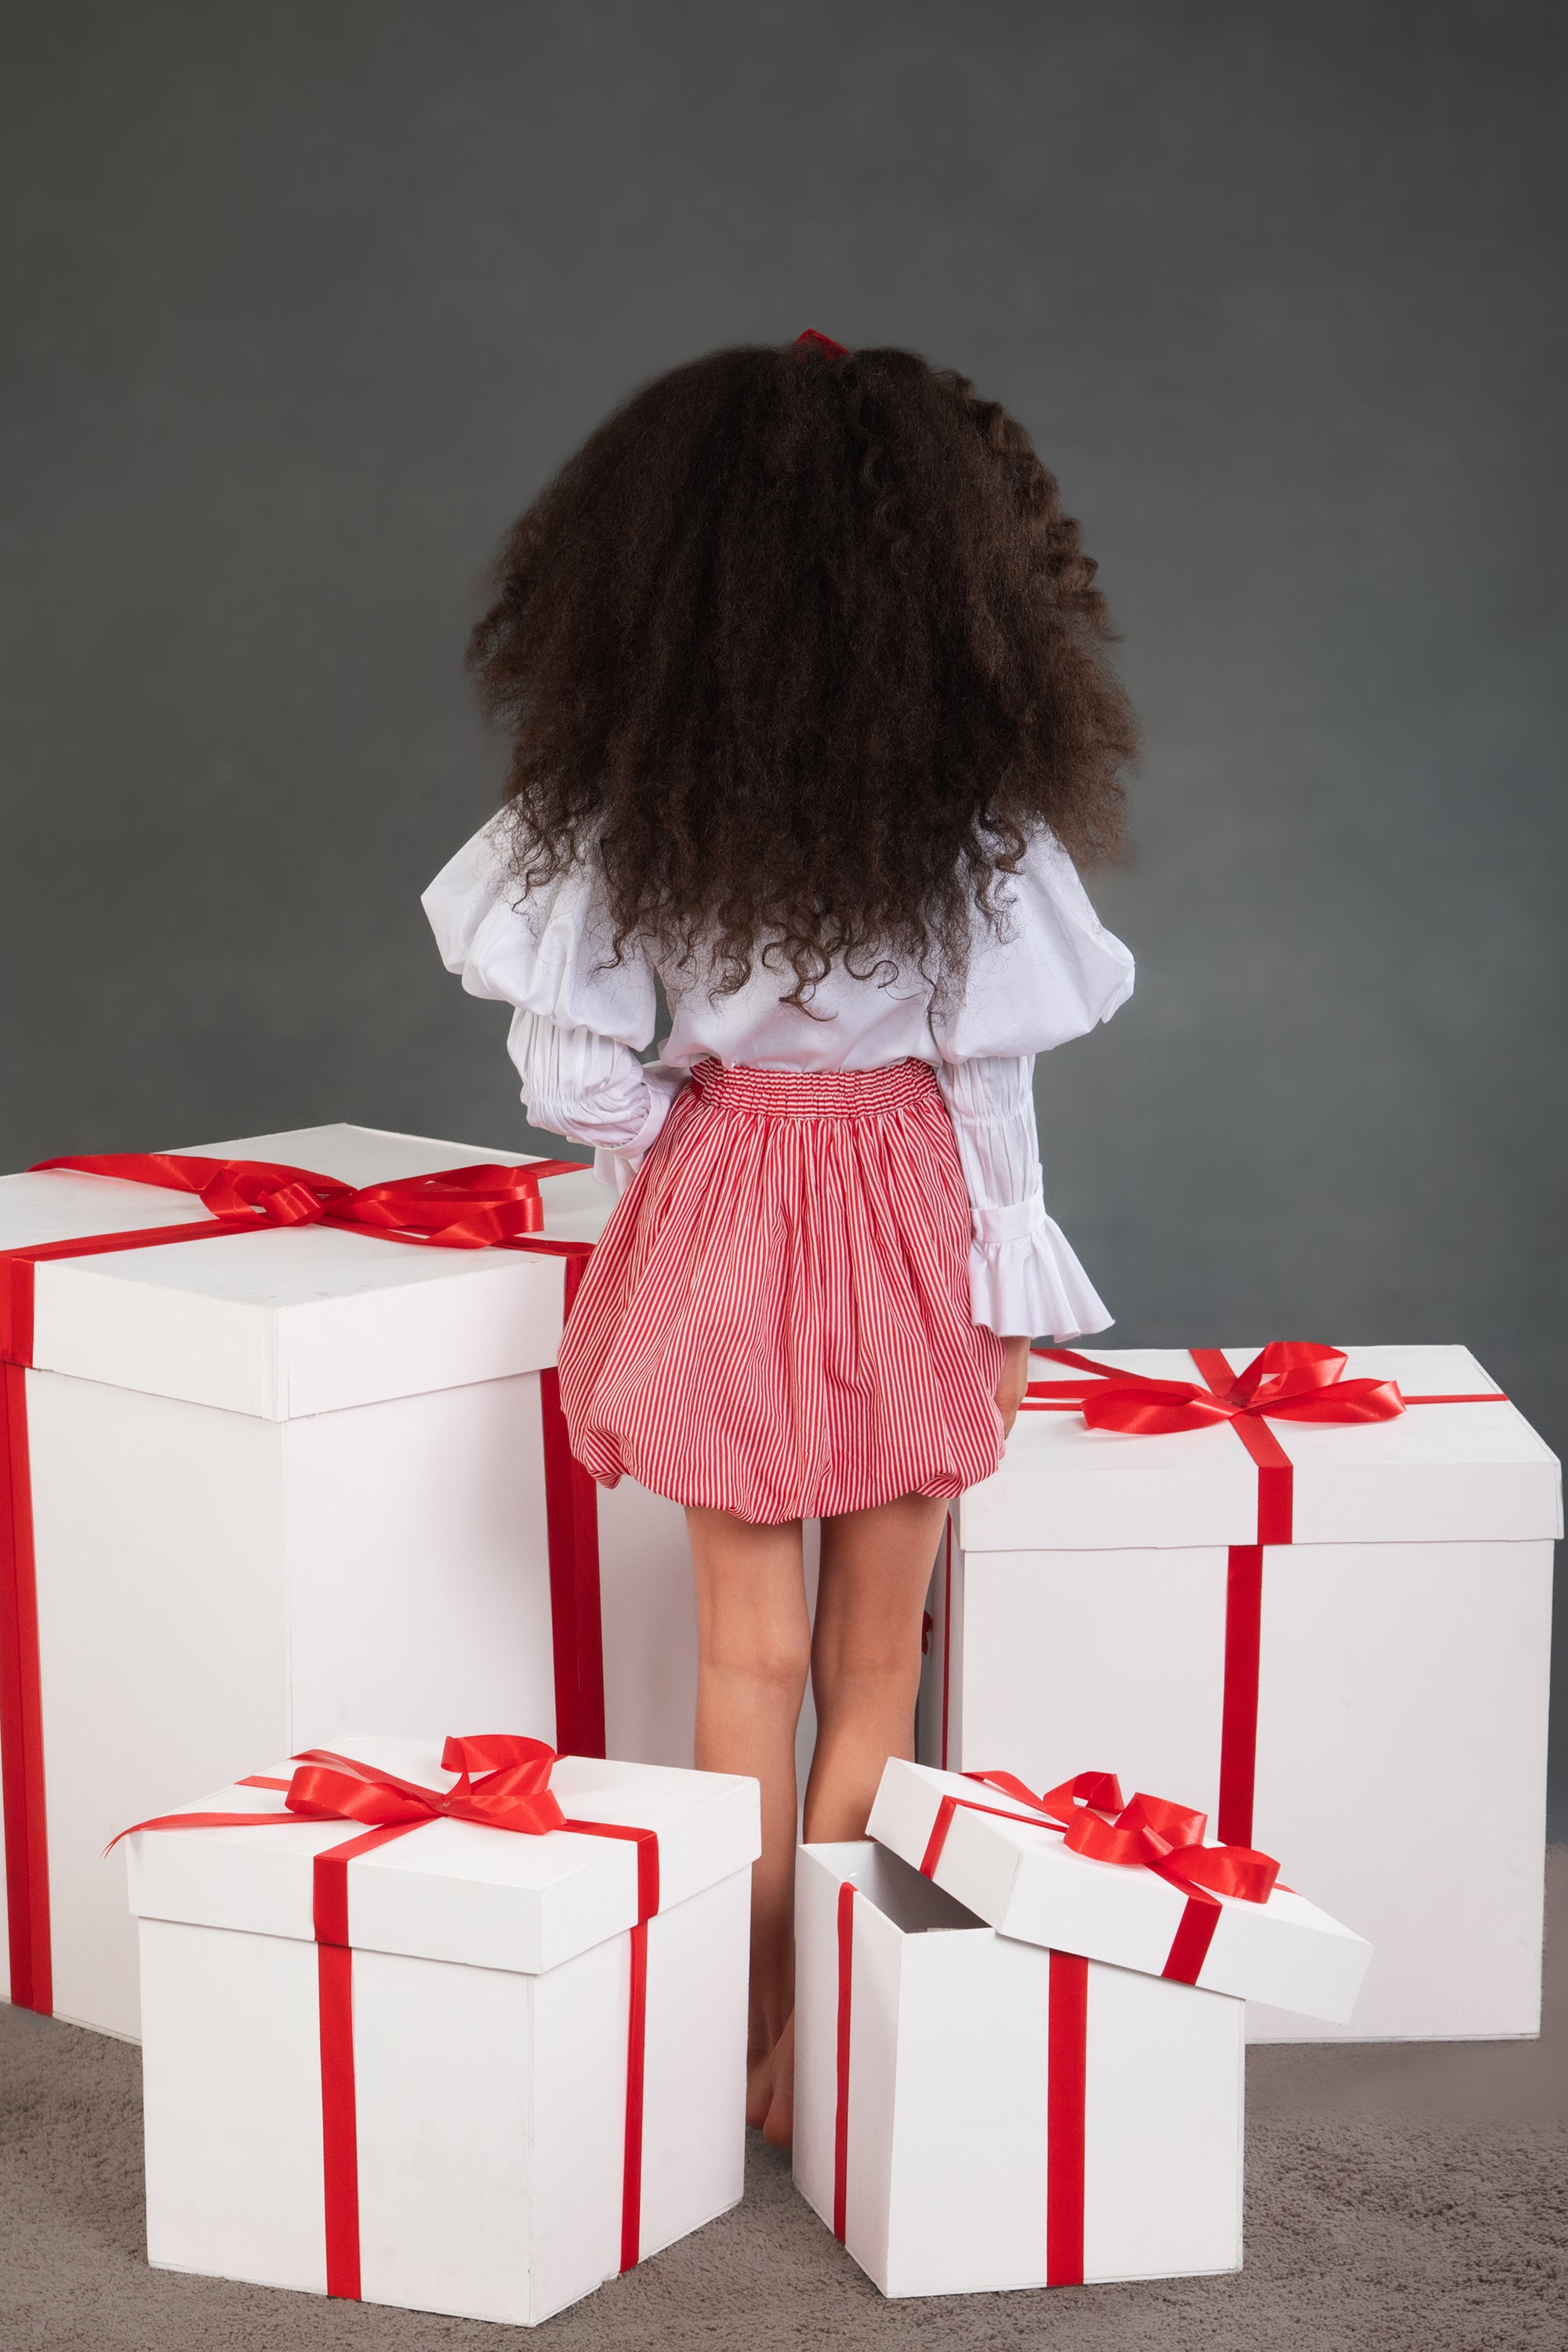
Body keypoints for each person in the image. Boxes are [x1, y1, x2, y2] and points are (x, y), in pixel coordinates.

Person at [423, 334, 1135, 2148]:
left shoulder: (629, 812)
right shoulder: (970, 827)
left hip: (725, 1198)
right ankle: (826, 2034)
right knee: (874, 1657)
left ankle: (729, 2025)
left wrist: (688, 1154)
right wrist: (1008, 1278)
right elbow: (993, 1095)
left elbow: (579, 1073)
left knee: (737, 1653)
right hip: (911, 1205)